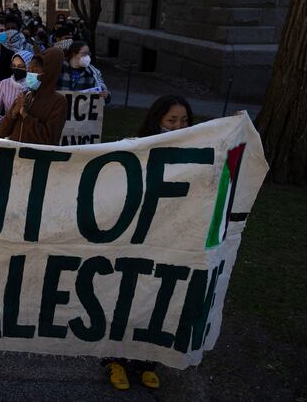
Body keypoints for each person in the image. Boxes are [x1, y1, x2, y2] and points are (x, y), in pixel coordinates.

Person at [104, 95, 194, 391]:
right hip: (130, 240)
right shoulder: (134, 147)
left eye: (184, 121)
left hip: (168, 241)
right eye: (172, 121)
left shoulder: (196, 152)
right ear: (157, 121)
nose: (179, 126)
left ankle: (146, 363)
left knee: (156, 302)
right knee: (123, 300)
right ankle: (114, 360)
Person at [0, 47, 67, 145]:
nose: (30, 75)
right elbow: (2, 131)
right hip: (15, 157)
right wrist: (13, 113)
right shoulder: (25, 95)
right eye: (29, 70)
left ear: (48, 74)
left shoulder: (58, 102)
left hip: (36, 159)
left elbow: (49, 138)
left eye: (34, 71)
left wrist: (26, 116)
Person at [0, 50, 33, 134]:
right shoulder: (5, 83)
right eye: (14, 66)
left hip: (28, 128)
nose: (16, 69)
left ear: (28, 67)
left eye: (20, 66)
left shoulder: (33, 84)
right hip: (9, 128)